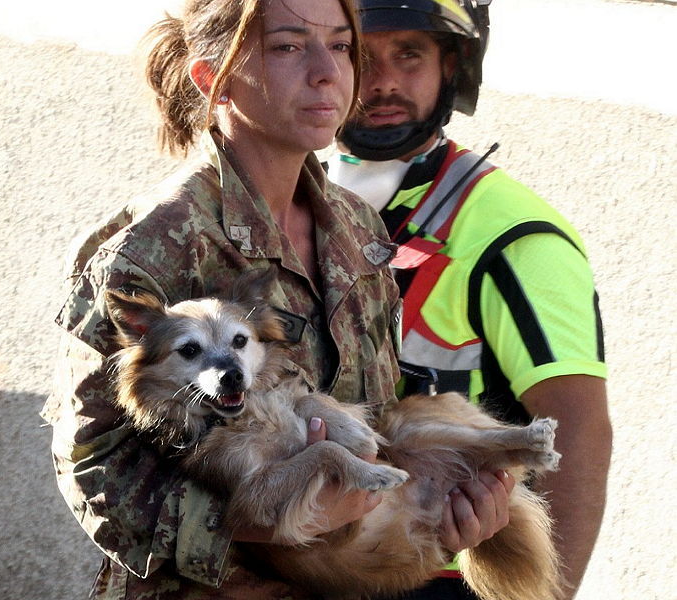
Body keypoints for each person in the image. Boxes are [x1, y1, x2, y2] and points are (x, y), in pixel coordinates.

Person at [41, 0, 513, 598]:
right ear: (213, 78)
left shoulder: (357, 226)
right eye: (289, 46)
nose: (326, 71)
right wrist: (254, 524)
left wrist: (446, 501)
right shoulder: (151, 246)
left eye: (341, 45)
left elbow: (368, 415)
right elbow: (93, 462)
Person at [327, 1, 613, 599]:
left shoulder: (513, 234)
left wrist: (543, 595)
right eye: (360, 52)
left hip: (444, 577)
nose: (382, 81)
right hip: (317, 563)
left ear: (452, 63)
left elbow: (581, 428)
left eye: (410, 54)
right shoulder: (298, 207)